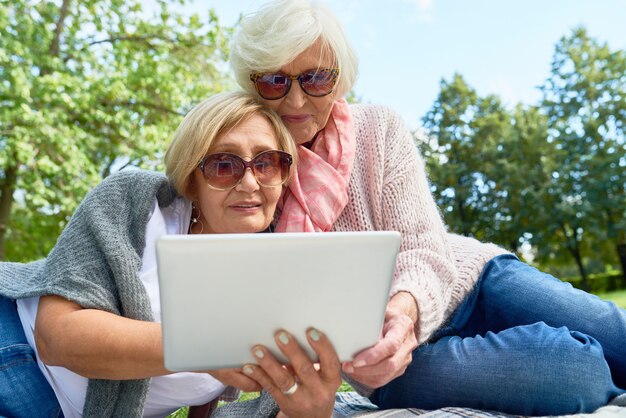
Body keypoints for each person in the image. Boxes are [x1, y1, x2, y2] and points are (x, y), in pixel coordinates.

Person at [220, 0, 626, 416]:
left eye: (316, 78)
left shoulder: (378, 128)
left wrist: (404, 310)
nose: (297, 99)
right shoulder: (246, 173)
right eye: (275, 80)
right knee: (576, 368)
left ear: (340, 80)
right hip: (386, 362)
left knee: (615, 334)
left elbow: (422, 245)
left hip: (474, 281)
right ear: (252, 84)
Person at [0, 91, 301, 417]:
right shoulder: (137, 202)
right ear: (192, 176)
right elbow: (54, 338)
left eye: (266, 163)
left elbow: (206, 390)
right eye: (223, 164)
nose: (248, 182)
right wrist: (202, 346)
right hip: (13, 350)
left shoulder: (276, 284)